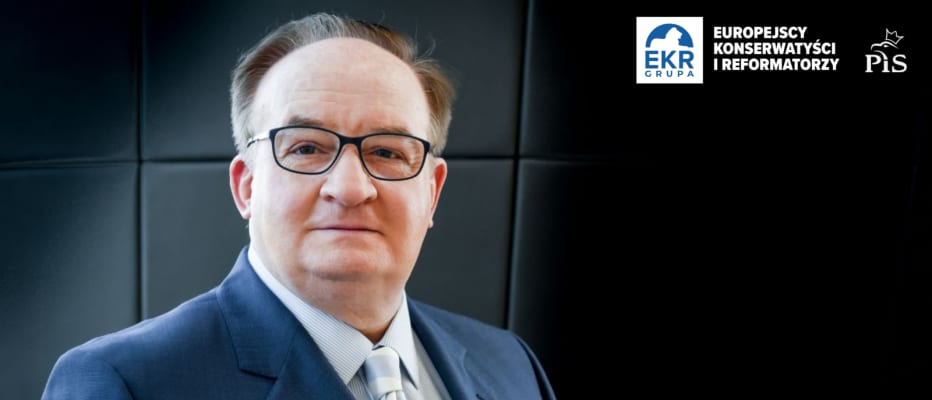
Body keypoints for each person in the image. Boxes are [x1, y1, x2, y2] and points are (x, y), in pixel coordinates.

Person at [42, 12, 555, 400]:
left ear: (432, 192)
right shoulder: (125, 382)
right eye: (307, 148)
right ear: (246, 186)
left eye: (387, 152)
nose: (351, 188)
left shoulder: (510, 364)